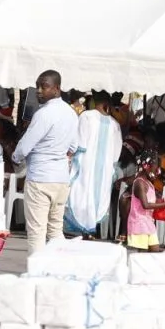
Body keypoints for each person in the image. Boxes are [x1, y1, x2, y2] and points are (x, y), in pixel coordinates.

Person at [11, 68, 77, 253]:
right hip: (61, 180)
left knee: (36, 232)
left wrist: (15, 157)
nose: (39, 91)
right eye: (37, 86)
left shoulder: (43, 114)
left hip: (40, 179)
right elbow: (73, 146)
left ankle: (35, 274)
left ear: (57, 89)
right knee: (55, 230)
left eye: (44, 87)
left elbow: (24, 147)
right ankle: (59, 272)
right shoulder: (71, 113)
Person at [66, 93, 124, 236]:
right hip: (105, 169)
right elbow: (116, 153)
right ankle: (90, 229)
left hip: (85, 164)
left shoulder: (86, 116)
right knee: (96, 197)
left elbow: (79, 144)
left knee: (81, 193)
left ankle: (82, 230)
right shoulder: (115, 124)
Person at [124, 155, 165, 250]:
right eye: (155, 169)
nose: (158, 172)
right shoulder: (139, 183)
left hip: (149, 223)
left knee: (154, 251)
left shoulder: (149, 183)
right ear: (146, 167)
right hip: (139, 224)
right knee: (141, 257)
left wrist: (162, 201)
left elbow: (151, 201)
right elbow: (146, 205)